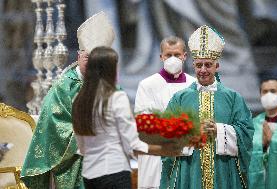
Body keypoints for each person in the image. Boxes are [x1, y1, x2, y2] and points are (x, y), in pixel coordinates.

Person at [20, 12, 115, 189]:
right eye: (88, 58)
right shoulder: (64, 86)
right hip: (75, 161)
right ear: (79, 56)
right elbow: (53, 124)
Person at [160, 25, 254, 189]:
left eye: (208, 65)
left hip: (223, 171)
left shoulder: (233, 98)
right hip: (190, 172)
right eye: (199, 65)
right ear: (193, 65)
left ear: (217, 66)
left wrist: (220, 130)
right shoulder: (180, 98)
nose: (203, 70)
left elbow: (246, 134)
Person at [72, 46, 180, 189]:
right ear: (108, 70)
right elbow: (133, 144)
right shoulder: (116, 97)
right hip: (114, 172)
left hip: (89, 174)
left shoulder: (79, 100)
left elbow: (82, 147)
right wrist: (164, 150)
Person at [134, 36, 196, 189]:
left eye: (177, 54)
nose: (173, 59)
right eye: (168, 55)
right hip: (157, 158)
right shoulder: (147, 85)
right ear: (161, 56)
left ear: (184, 56)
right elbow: (144, 124)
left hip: (187, 156)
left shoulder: (194, 85)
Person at [249, 79, 277, 189]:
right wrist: (262, 146)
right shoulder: (253, 124)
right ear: (260, 96)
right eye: (265, 91)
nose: (268, 94)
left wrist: (272, 141)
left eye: (273, 91)